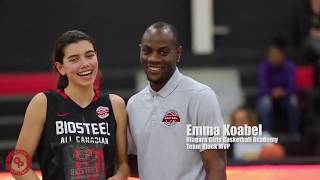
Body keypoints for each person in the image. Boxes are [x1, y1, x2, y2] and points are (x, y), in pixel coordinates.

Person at [11, 30, 129, 180]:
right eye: (74, 59)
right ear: (61, 68)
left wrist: (119, 177)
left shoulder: (115, 104)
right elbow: (18, 163)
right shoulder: (43, 103)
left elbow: (123, 164)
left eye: (89, 55)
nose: (85, 64)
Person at [127, 22, 226, 180]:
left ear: (178, 53)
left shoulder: (201, 96)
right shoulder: (133, 104)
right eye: (147, 51)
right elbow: (135, 164)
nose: (153, 58)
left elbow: (216, 167)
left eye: (163, 52)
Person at [257, 38, 300, 136]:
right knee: (265, 103)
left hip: (285, 97)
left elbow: (293, 86)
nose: (273, 58)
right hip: (269, 96)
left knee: (294, 101)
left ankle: (295, 133)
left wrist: (284, 92)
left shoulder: (290, 66)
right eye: (271, 55)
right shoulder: (264, 66)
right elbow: (263, 87)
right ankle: (267, 135)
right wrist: (272, 93)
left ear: (283, 56)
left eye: (276, 55)